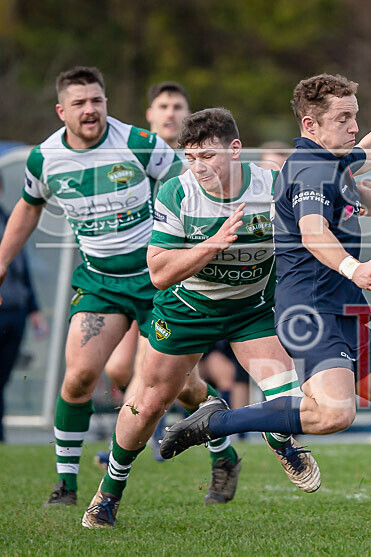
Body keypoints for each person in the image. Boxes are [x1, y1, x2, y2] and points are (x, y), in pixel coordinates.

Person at [160, 71, 371, 535]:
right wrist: (356, 268)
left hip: (341, 307)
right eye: (344, 118)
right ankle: (217, 422)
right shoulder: (310, 168)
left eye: (354, 116)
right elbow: (315, 232)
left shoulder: (329, 159)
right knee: (335, 414)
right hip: (310, 313)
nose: (354, 126)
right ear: (311, 126)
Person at [81, 108, 321, 528]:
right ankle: (108, 493)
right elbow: (158, 274)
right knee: (148, 405)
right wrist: (211, 246)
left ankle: (280, 441)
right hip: (188, 310)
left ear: (235, 149)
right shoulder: (178, 193)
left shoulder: (271, 184)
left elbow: (325, 204)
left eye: (207, 156)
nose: (199, 167)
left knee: (288, 392)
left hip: (251, 311)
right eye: (191, 157)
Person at [0, 67, 188, 506]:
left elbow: (186, 186)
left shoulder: (139, 143)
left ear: (106, 102)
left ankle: (224, 455)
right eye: (80, 103)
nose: (90, 110)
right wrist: (3, 261)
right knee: (81, 375)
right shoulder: (44, 158)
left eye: (97, 101)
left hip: (155, 279)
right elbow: (29, 208)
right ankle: (66, 484)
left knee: (184, 386)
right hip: (100, 283)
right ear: (61, 111)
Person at [97, 81, 194, 466]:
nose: (170, 113)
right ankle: (181, 423)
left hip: (177, 280)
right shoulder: (130, 159)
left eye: (178, 106)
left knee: (147, 366)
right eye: (163, 106)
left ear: (189, 116)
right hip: (132, 276)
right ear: (150, 115)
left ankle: (139, 438)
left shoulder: (196, 162)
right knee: (120, 367)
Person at [0, 174, 48, 442]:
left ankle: (1, 438)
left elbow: (22, 269)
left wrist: (33, 309)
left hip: (14, 310)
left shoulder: (10, 218)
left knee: (3, 378)